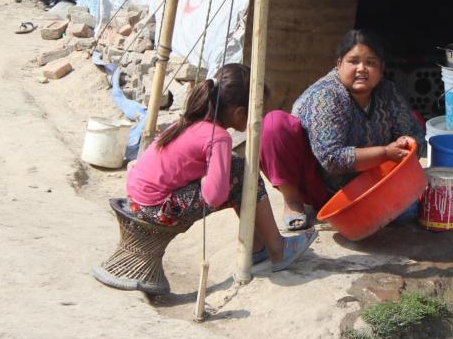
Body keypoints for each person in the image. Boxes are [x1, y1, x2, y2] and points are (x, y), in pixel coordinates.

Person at [126, 63, 316, 271]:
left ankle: (257, 247)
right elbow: (214, 196)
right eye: (258, 110)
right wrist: (206, 180)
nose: (260, 118)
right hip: (157, 209)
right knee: (243, 174)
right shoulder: (219, 137)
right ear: (240, 113)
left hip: (138, 200)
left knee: (235, 168)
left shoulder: (188, 122)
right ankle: (277, 249)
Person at [260, 30, 426, 230]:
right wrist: (385, 153)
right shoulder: (327, 96)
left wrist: (405, 144)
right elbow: (332, 159)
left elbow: (416, 137)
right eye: (353, 61)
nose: (362, 69)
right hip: (319, 184)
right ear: (339, 64)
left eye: (370, 63)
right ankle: (292, 202)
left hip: (370, 181)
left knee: (416, 120)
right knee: (274, 124)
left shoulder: (387, 91)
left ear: (381, 68)